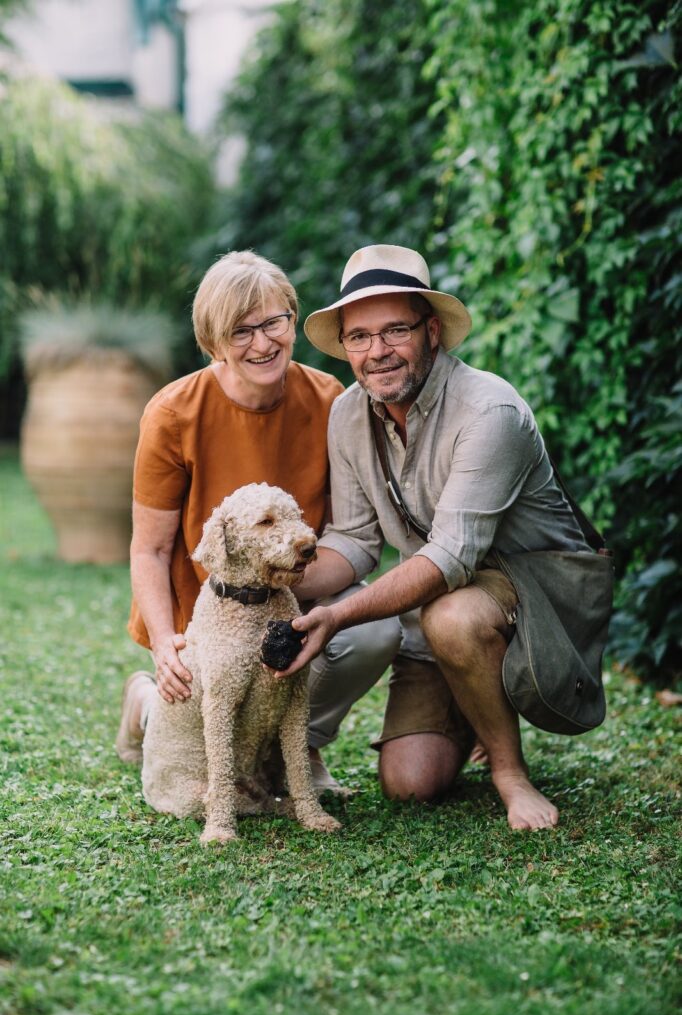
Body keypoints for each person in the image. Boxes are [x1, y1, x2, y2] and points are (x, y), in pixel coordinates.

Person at [276, 243, 593, 830]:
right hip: (440, 600)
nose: (378, 352)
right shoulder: (348, 415)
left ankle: (510, 774)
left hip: (534, 597)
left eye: (395, 329)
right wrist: (281, 582)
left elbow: (449, 557)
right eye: (360, 337)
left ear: (432, 332)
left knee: (451, 616)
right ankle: (474, 699)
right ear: (345, 346)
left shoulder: (490, 411)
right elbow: (352, 539)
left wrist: (336, 618)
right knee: (410, 784)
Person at [115, 250, 401, 791]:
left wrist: (287, 592)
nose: (264, 342)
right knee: (193, 713)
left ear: (294, 319)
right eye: (241, 330)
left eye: (275, 322)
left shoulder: (329, 400)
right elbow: (149, 549)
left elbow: (346, 532)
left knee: (375, 630)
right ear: (212, 342)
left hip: (297, 594)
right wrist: (163, 643)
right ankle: (149, 705)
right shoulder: (173, 413)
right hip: (203, 612)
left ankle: (300, 749)